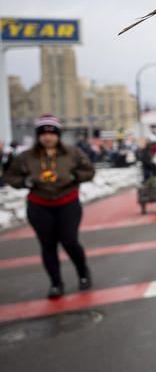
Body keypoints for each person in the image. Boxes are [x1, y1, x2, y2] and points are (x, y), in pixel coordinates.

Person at [3, 115, 95, 299]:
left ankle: (83, 273)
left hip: (67, 202)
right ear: (38, 136)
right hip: (39, 204)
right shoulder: (26, 156)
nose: (48, 137)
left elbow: (89, 171)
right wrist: (25, 181)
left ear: (58, 135)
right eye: (43, 134)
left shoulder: (72, 152)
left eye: (52, 133)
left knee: (69, 241)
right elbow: (11, 176)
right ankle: (56, 283)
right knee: (48, 245)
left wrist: (75, 177)